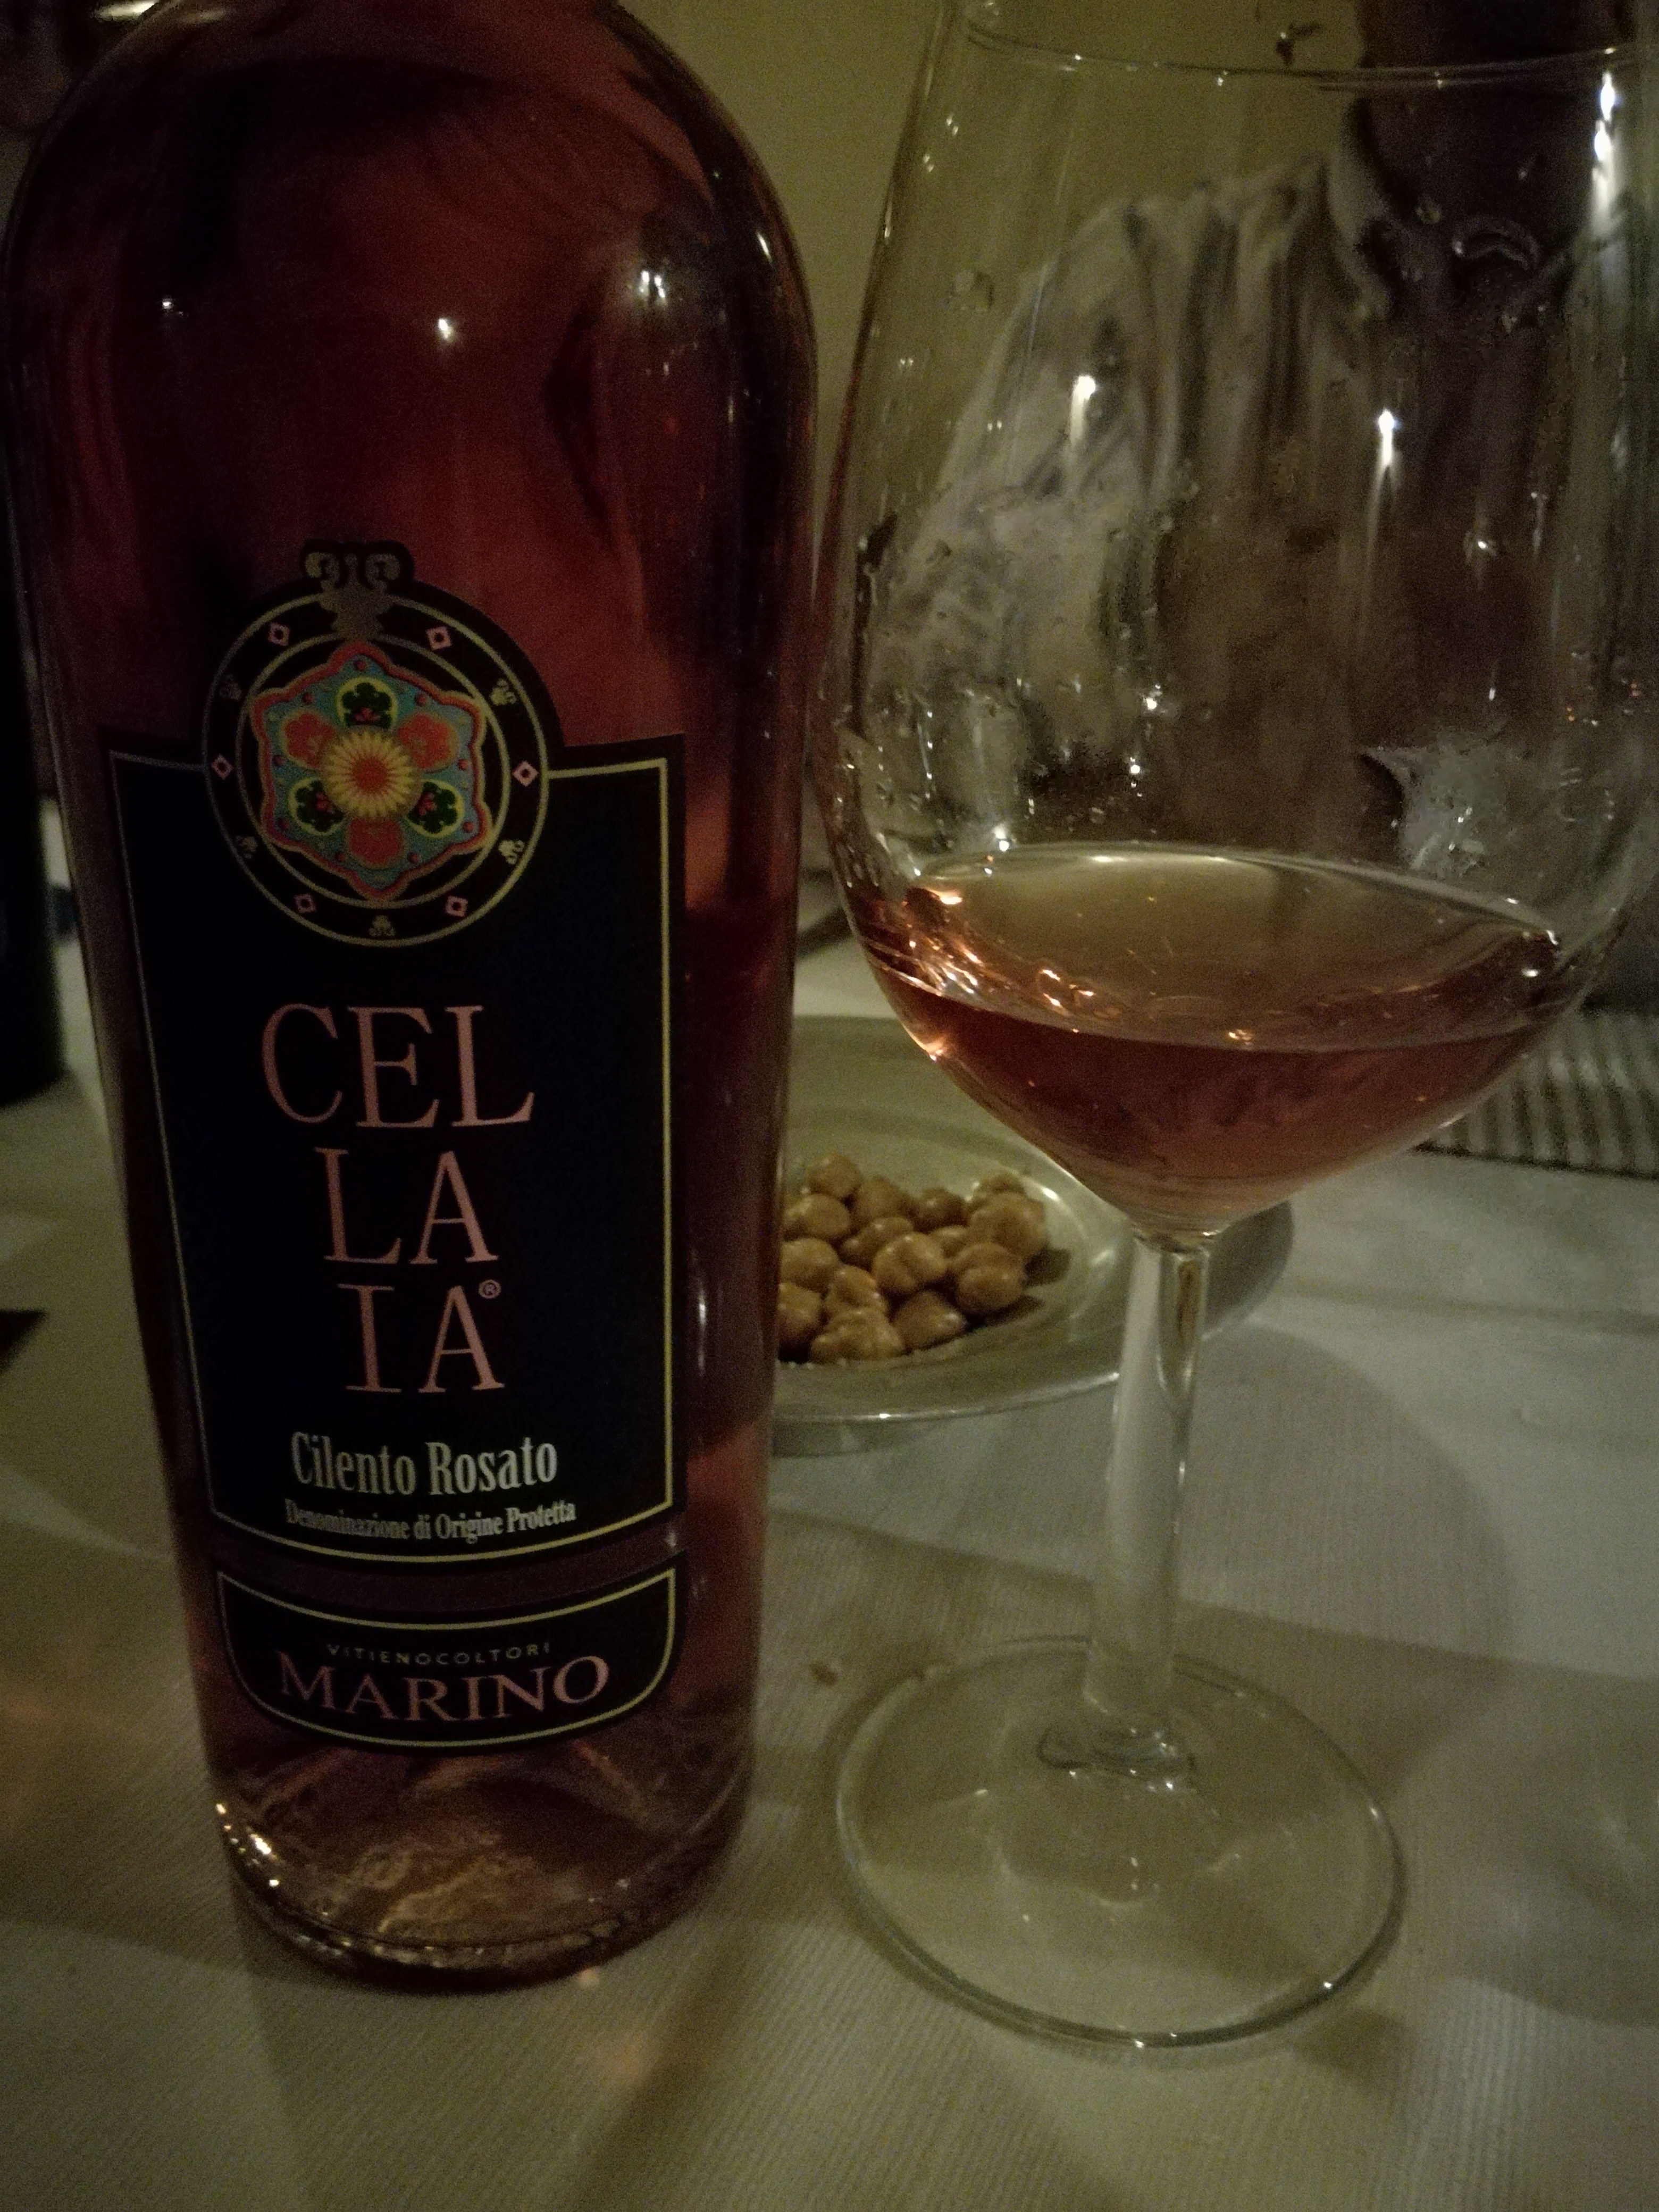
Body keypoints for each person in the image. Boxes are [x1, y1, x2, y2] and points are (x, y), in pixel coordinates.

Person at [863, 0, 1655, 981]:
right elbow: (917, 709)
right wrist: (1168, 603)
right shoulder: (1149, 285)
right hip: (1152, 981)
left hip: (1584, 1042)